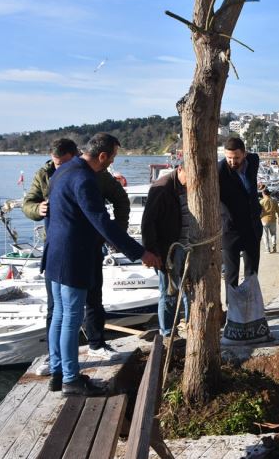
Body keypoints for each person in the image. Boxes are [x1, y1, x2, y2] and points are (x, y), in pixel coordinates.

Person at [41, 133, 160, 395]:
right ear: (103, 156)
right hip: (73, 257)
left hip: (54, 253)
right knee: (71, 318)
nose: (112, 162)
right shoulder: (84, 179)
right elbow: (101, 222)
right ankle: (71, 380)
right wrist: (139, 253)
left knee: (60, 316)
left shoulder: (62, 171)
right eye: (113, 157)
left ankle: (58, 373)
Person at [24, 138, 131, 376]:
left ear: (73, 156)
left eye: (62, 161)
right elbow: (99, 218)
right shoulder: (70, 176)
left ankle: (84, 351)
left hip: (74, 249)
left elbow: (119, 201)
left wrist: (115, 233)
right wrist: (36, 210)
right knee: (65, 314)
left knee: (87, 303)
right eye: (56, 162)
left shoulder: (89, 175)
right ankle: (66, 373)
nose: (59, 165)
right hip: (69, 253)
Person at [141, 161, 190, 337]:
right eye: (189, 176)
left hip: (188, 246)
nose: (192, 181)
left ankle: (191, 326)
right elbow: (147, 223)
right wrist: (152, 252)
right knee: (169, 292)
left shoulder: (186, 185)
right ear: (180, 170)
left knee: (189, 291)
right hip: (169, 250)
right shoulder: (161, 188)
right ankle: (168, 332)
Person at [218, 137, 263, 288]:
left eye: (236, 157)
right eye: (229, 157)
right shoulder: (219, 171)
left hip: (252, 228)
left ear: (244, 154)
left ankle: (251, 307)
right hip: (230, 230)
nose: (232, 161)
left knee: (252, 274)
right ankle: (233, 310)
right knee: (231, 276)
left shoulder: (253, 161)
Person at [259, 187, 279, 253]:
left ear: (264, 194)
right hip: (273, 220)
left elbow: (259, 211)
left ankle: (268, 250)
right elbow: (278, 211)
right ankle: (274, 246)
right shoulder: (274, 200)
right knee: (273, 234)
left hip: (264, 220)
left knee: (265, 236)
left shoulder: (261, 201)